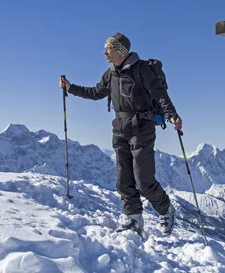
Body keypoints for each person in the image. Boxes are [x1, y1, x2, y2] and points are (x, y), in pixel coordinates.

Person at [59, 32, 182, 237]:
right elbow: (96, 92)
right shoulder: (111, 74)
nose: (105, 52)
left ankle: (166, 210)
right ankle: (134, 220)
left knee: (144, 180)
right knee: (123, 179)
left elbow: (160, 94)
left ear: (120, 50)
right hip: (120, 128)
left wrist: (172, 116)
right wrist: (71, 88)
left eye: (108, 48)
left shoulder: (141, 69)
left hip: (142, 128)